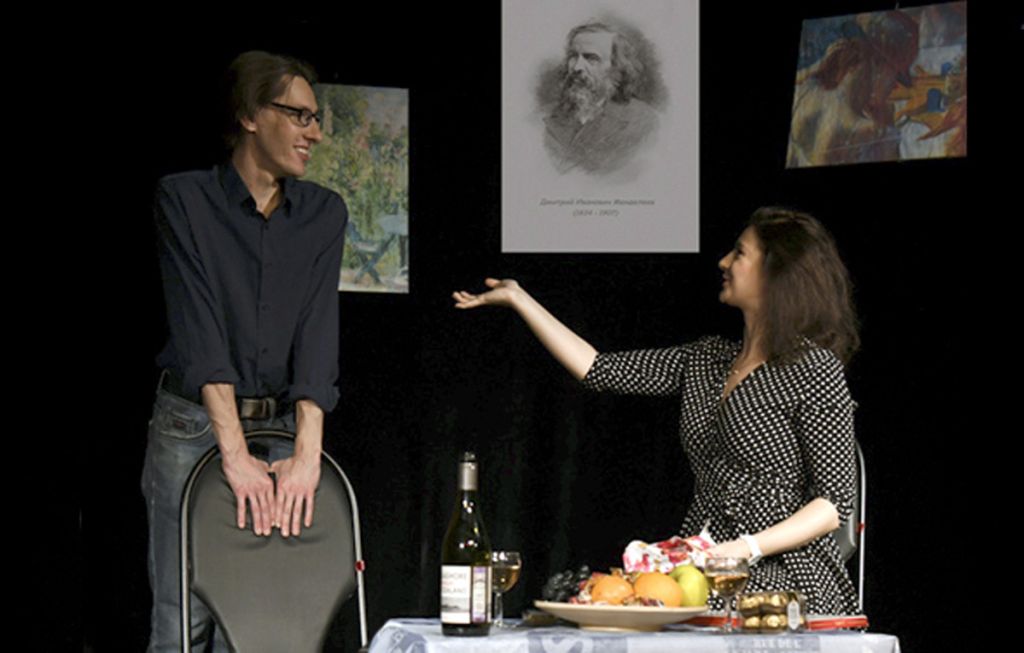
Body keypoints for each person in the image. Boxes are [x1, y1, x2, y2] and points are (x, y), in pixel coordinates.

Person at [452, 207, 860, 615]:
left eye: (739, 253)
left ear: (776, 274)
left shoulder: (813, 368)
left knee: (662, 609)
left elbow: (833, 505)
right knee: (611, 601)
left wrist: (744, 548)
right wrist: (520, 299)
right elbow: (597, 368)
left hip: (785, 571)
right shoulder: (706, 360)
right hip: (703, 563)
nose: (723, 262)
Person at [142, 51, 347, 651]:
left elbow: (317, 332)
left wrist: (307, 452)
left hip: (279, 431)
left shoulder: (323, 213)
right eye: (300, 115)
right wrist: (231, 452)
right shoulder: (184, 199)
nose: (314, 132)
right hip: (192, 426)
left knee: (259, 628)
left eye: (316, 118)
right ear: (251, 115)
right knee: (181, 623)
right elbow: (199, 329)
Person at [543, 22, 660, 175]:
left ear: (616, 67)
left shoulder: (644, 121)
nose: (577, 67)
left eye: (591, 58)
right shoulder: (543, 116)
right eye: (573, 56)